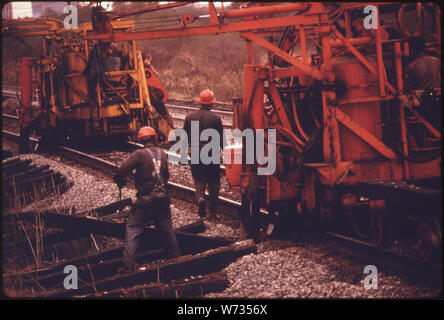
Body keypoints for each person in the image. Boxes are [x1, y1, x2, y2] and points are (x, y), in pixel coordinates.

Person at [114, 126, 181, 271]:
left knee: (133, 228)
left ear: (141, 140)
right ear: (155, 138)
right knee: (167, 230)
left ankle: (128, 265)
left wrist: (119, 179)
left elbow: (121, 170)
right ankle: (176, 258)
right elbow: (166, 176)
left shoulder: (139, 154)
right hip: (163, 199)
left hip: (145, 201)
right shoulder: (163, 154)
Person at [183, 89, 224, 219]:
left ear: (200, 102)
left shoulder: (189, 117)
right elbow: (221, 139)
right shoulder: (216, 119)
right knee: (214, 183)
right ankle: (213, 213)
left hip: (196, 153)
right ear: (212, 103)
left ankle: (200, 198)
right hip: (212, 154)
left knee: (199, 180)